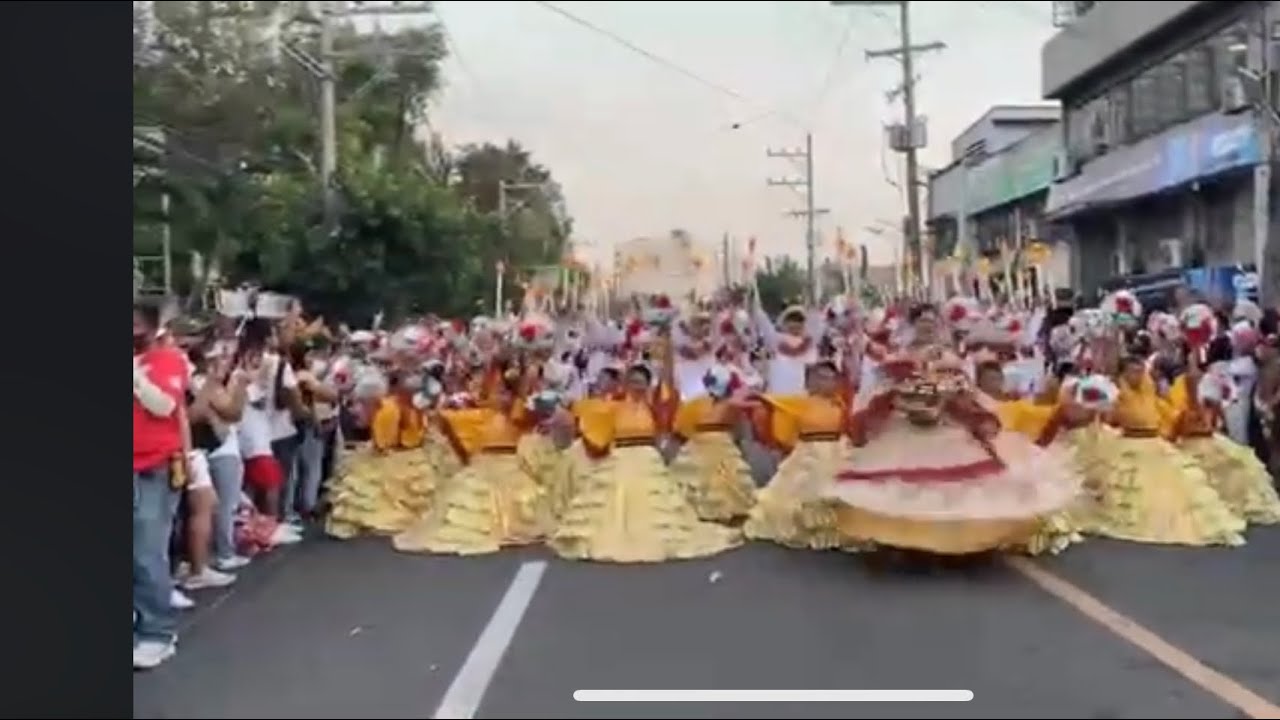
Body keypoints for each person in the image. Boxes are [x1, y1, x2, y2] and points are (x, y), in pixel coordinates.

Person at [821, 303, 1082, 557]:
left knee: (965, 479)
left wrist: (946, 399)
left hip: (946, 422)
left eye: (931, 324)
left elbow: (964, 389)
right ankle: (901, 535)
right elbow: (881, 388)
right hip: (905, 424)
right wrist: (904, 399)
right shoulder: (898, 356)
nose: (926, 329)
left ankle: (953, 536)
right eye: (921, 324)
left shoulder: (950, 358)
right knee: (898, 481)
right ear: (912, 327)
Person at [548, 332, 741, 563]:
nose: (637, 384)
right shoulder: (614, 406)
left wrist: (667, 347)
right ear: (626, 383)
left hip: (647, 460)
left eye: (642, 380)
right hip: (619, 460)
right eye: (633, 380)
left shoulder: (653, 405)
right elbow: (586, 416)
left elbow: (668, 384)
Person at [133, 300, 190, 670]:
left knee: (147, 552)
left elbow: (164, 406)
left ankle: (158, 633)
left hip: (153, 469)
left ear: (151, 329)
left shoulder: (168, 360)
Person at [189, 346, 253, 573]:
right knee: (224, 504)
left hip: (214, 449)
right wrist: (241, 386)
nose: (226, 361)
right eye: (221, 357)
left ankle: (212, 556)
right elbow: (233, 412)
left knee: (216, 506)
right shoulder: (203, 383)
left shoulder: (205, 383)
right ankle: (223, 553)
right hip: (220, 450)